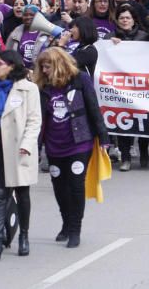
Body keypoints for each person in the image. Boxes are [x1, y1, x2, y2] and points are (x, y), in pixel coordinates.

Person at [35, 47, 109, 249]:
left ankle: (75, 229)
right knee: (59, 185)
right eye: (42, 67)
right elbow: (39, 119)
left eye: (48, 66)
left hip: (79, 141)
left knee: (76, 184)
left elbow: (93, 107)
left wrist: (103, 136)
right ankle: (66, 223)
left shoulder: (81, 79)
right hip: (54, 144)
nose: (45, 70)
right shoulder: (42, 87)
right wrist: (36, 146)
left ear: (59, 65)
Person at [0, 50, 41, 261]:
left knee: (22, 193)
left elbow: (34, 120)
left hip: (18, 146)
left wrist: (27, 144)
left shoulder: (29, 89)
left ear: (11, 66)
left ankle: (23, 235)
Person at [110, 5, 149, 171]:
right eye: (122, 18)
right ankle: (125, 157)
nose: (125, 21)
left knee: (142, 121)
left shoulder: (143, 37)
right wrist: (109, 45)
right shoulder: (110, 37)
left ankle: (143, 150)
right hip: (120, 88)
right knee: (123, 123)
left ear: (134, 20)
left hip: (140, 87)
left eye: (128, 18)